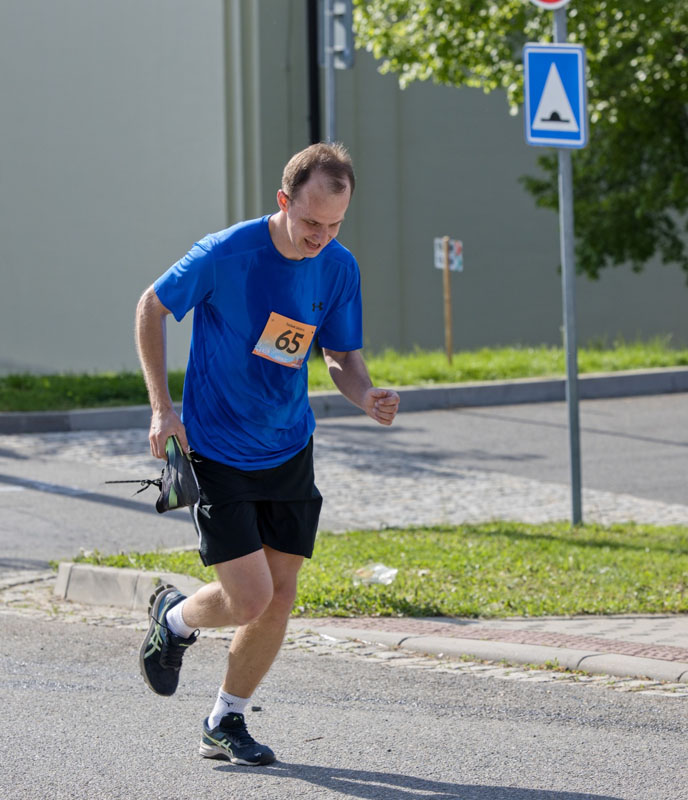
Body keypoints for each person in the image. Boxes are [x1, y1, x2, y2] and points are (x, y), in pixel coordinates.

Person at [133, 142, 400, 766]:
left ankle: (225, 719)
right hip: (216, 447)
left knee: (281, 594)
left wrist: (364, 395)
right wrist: (161, 408)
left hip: (288, 446)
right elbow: (151, 307)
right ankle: (174, 620)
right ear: (283, 201)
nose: (321, 237)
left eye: (335, 225)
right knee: (250, 597)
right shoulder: (226, 253)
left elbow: (339, 354)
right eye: (311, 222)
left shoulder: (338, 266)